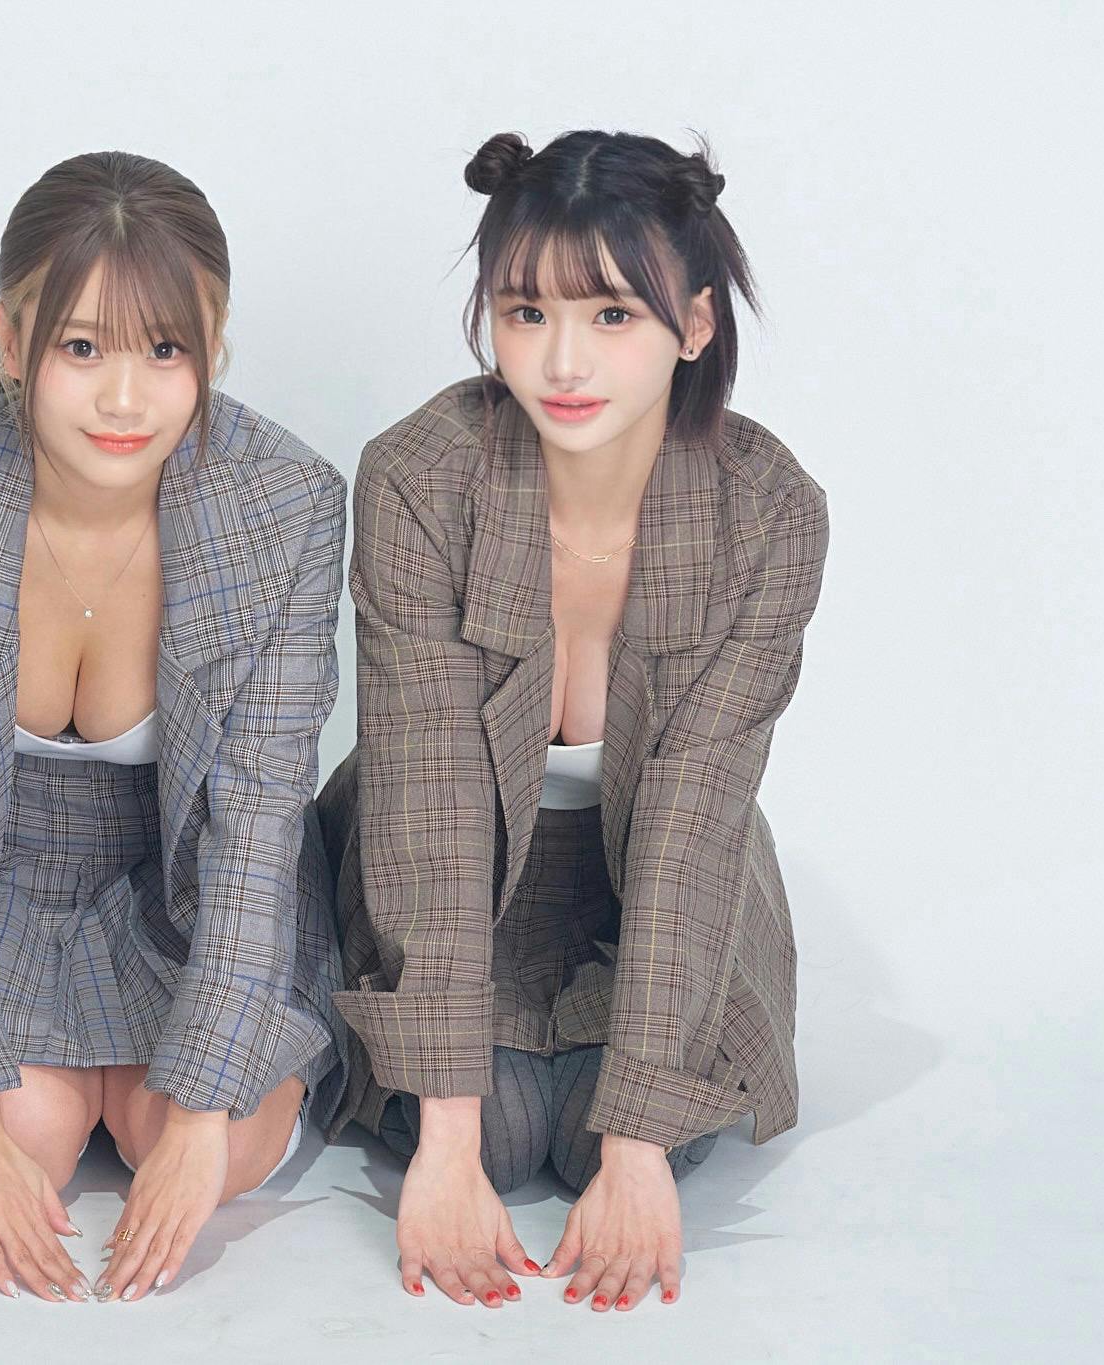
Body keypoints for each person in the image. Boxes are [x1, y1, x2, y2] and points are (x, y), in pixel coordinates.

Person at [0, 150, 347, 1306]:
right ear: (9, 337)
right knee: (24, 1133)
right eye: (81, 348)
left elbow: (255, 821)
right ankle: (35, 1085)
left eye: (165, 350)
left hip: (181, 879)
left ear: (214, 343)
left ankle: (145, 1087)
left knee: (216, 1144)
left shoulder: (286, 501)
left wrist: (201, 1116)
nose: (123, 399)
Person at [319, 128, 831, 1313]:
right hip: (444, 864)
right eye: (524, 312)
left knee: (610, 1131)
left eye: (610, 315)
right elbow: (428, 801)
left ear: (692, 326)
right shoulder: (419, 476)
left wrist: (640, 1144)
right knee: (496, 1136)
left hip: (655, 870)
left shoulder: (767, 512)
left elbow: (695, 821)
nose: (560, 361)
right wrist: (446, 1144)